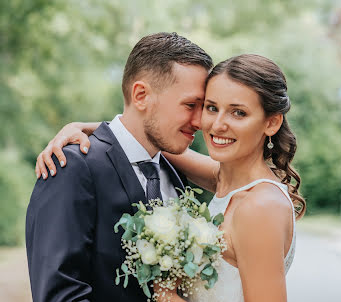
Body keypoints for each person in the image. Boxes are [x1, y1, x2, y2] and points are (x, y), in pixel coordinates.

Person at [35, 54, 306, 302]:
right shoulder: (226, 180)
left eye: (239, 112)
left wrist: (165, 296)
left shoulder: (258, 207)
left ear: (271, 122)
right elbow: (142, 138)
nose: (214, 124)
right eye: (210, 107)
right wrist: (84, 127)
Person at [26, 32, 213, 302]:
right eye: (190, 105)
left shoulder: (174, 175)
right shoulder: (74, 167)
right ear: (141, 95)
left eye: (204, 107)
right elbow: (60, 295)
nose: (200, 121)